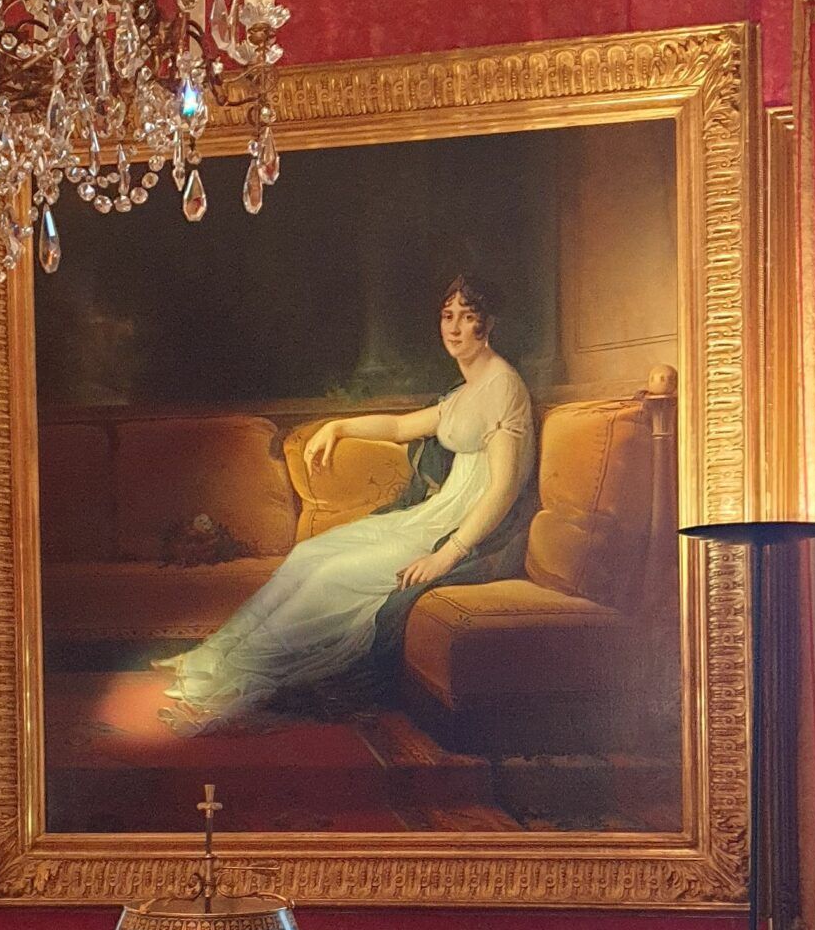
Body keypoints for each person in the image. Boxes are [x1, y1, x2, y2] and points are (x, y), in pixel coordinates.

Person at [156, 275, 534, 732]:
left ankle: (234, 679)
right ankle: (214, 658)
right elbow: (400, 428)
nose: (453, 328)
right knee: (309, 554)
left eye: (467, 317)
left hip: (464, 532)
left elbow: (504, 488)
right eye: (447, 316)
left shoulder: (503, 386)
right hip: (431, 518)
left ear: (487, 324)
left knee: (332, 576)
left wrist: (446, 555)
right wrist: (339, 426)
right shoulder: (466, 391)